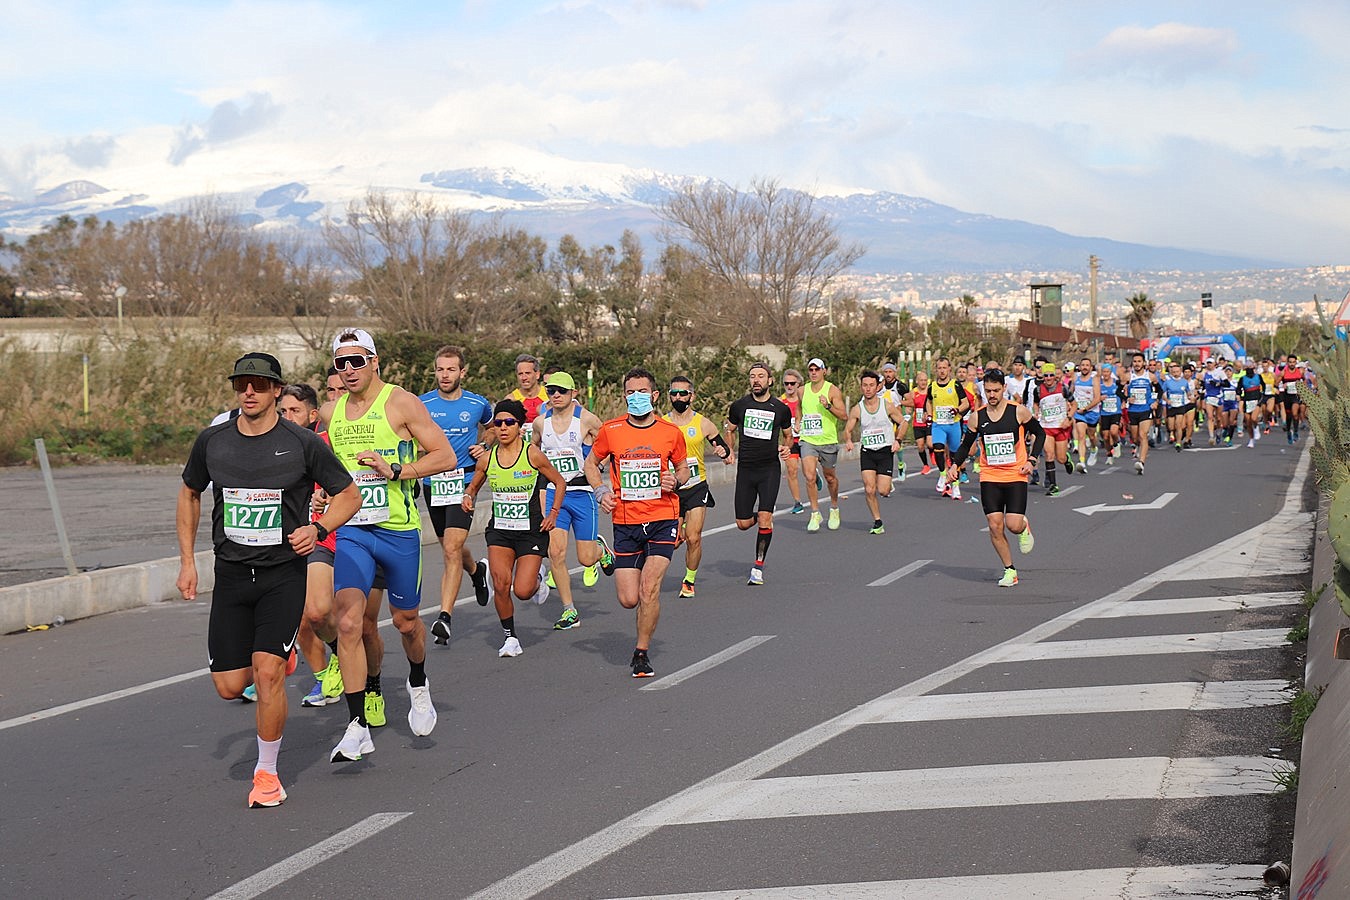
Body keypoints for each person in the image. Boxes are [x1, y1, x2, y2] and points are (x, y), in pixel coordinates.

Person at [177, 352, 361, 808]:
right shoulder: (213, 441)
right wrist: (187, 561)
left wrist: (319, 528)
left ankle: (267, 774)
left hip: (282, 575)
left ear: (277, 390)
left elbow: (349, 494)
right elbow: (190, 492)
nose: (249, 392)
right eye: (242, 384)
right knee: (229, 686)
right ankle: (285, 654)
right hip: (232, 575)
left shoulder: (302, 443)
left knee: (267, 673)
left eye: (259, 384)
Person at [322, 328, 458, 763]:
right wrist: (324, 495)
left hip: (397, 531)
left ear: (374, 361)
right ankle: (357, 725)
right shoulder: (331, 412)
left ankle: (418, 680)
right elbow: (332, 471)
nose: (349, 370)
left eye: (357, 360)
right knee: (349, 624)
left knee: (405, 623)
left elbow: (445, 456)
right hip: (354, 532)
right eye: (341, 363)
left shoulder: (400, 402)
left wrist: (397, 469)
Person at [585, 368, 689, 677]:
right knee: (629, 599)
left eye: (642, 392)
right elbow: (591, 463)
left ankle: (641, 652)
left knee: (649, 589)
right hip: (626, 521)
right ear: (624, 396)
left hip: (662, 517)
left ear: (654, 396)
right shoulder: (611, 430)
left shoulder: (670, 432)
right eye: (630, 392)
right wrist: (601, 490)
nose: (636, 397)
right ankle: (610, 555)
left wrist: (676, 480)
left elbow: (684, 469)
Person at [463, 398, 567, 656]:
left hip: (531, 531)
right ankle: (510, 637)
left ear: (519, 426)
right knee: (500, 584)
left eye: (509, 422)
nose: (503, 427)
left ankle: (538, 579)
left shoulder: (532, 454)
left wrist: (553, 513)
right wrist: (468, 497)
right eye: (498, 423)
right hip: (500, 531)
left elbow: (559, 482)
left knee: (522, 591)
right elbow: (473, 486)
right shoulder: (487, 459)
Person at [277, 383, 346, 709]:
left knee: (343, 617)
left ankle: (357, 669)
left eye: (295, 411)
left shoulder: (327, 442)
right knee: (308, 617)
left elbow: (351, 483)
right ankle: (328, 673)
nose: (288, 417)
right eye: (283, 411)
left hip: (341, 534)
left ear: (313, 414)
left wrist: (327, 494)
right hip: (305, 539)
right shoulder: (275, 446)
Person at [419, 345, 493, 646]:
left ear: (462, 372)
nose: (445, 375)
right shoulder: (422, 403)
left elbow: (491, 428)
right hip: (433, 483)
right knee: (451, 547)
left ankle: (444, 617)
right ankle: (476, 571)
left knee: (451, 548)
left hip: (464, 482)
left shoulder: (477, 403)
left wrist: (484, 445)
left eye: (451, 369)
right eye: (440, 369)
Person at [947, 368, 1045, 587]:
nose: (992, 395)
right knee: (994, 525)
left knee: (1013, 525)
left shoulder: (1018, 412)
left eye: (996, 390)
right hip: (990, 475)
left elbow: (1040, 433)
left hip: (1016, 474)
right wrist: (954, 465)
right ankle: (1010, 570)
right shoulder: (977, 417)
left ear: (1004, 388)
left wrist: (1032, 460)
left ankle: (1023, 527)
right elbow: (965, 445)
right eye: (988, 390)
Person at [533, 370, 613, 629]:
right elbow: (533, 451)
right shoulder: (540, 423)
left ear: (573, 393)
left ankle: (601, 550)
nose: (556, 395)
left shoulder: (586, 419)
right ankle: (569, 610)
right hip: (555, 495)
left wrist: (599, 466)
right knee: (555, 552)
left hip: (582, 493)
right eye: (551, 391)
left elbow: (609, 445)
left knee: (586, 559)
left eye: (561, 391)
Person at [663, 375, 733, 598]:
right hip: (671, 490)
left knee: (693, 538)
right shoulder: (661, 423)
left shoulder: (702, 423)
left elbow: (723, 448)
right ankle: (680, 528)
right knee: (673, 542)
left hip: (696, 486)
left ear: (691, 396)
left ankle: (689, 580)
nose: (678, 397)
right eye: (674, 393)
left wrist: (723, 452)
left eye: (683, 393)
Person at [726, 363, 794, 585]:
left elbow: (788, 436)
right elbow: (730, 430)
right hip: (746, 470)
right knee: (743, 523)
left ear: (770, 380)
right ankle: (764, 519)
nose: (756, 380)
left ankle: (758, 567)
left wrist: (787, 448)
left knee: (765, 517)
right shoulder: (739, 406)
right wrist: (729, 450)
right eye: (752, 376)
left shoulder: (780, 409)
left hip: (769, 469)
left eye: (761, 376)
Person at [843, 370, 909, 535]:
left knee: (883, 491)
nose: (868, 389)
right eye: (865, 385)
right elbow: (848, 429)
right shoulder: (857, 409)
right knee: (869, 489)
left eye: (871, 385)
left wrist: (898, 440)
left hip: (885, 451)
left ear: (877, 387)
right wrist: (849, 440)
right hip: (868, 452)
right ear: (861, 387)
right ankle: (877, 521)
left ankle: (887, 483)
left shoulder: (886, 405)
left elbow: (903, 423)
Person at [799, 357, 847, 532]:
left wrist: (828, 406)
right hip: (808, 439)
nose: (813, 373)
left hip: (827, 440)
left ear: (824, 371)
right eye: (811, 370)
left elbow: (844, 415)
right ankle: (815, 512)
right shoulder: (802, 391)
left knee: (830, 478)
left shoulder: (832, 390)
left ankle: (834, 508)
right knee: (809, 476)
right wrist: (797, 422)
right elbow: (798, 409)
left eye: (817, 369)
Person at [926, 357, 971, 500]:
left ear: (949, 369)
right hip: (938, 424)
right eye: (939, 368)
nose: (942, 371)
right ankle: (942, 474)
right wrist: (929, 414)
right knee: (938, 448)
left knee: (954, 457)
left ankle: (955, 485)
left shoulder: (955, 385)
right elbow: (928, 402)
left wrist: (957, 410)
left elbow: (966, 403)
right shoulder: (932, 386)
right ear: (936, 370)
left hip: (953, 424)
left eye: (944, 368)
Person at [1033, 361, 1074, 495]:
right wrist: (1036, 412)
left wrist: (1069, 418)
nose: (1048, 378)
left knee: (1060, 458)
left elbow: (1074, 404)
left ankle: (1066, 460)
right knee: (1049, 454)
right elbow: (1036, 403)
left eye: (1051, 375)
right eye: (1046, 375)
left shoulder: (1063, 388)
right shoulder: (1038, 390)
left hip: (1061, 426)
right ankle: (1053, 485)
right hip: (1046, 427)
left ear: (1055, 376)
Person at [778, 369, 808, 514]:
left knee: (808, 472)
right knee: (791, 470)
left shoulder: (805, 399)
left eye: (792, 383)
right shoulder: (780, 402)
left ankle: (814, 473)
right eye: (786, 383)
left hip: (806, 439)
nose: (789, 386)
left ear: (798, 384)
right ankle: (797, 502)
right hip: (790, 441)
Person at [1123, 353, 1157, 475]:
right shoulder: (1128, 376)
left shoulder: (1150, 376)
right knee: (1135, 438)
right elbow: (1118, 391)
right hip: (1133, 410)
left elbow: (1158, 390)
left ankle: (1141, 462)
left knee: (1143, 435)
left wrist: (1155, 401)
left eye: (1139, 361)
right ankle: (1137, 446)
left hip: (1146, 409)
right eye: (1135, 361)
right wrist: (1127, 398)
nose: (1137, 364)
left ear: (1144, 363)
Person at [879, 362, 910, 481]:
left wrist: (898, 402)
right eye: (886, 372)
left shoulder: (900, 386)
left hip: (896, 418)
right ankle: (885, 473)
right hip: (883, 420)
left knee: (895, 444)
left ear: (894, 372)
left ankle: (900, 464)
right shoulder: (879, 385)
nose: (888, 374)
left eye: (890, 372)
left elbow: (911, 401)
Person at [1070, 358, 1101, 473]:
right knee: (1081, 435)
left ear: (1091, 367)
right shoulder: (1075, 378)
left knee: (1092, 436)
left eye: (1087, 365)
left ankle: (1093, 449)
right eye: (1083, 365)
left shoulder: (1094, 379)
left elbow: (1097, 398)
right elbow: (1070, 392)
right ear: (1079, 367)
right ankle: (1082, 462)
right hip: (1079, 413)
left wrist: (1086, 408)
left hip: (1092, 412)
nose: (1084, 367)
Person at [509, 353, 549, 443]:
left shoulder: (549, 394)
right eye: (520, 374)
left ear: (537, 374)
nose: (524, 378)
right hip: (522, 446)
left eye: (527, 373)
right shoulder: (511, 399)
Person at [1159, 360, 1194, 452]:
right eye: (1174, 372)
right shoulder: (1167, 382)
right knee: (1171, 426)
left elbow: (1188, 392)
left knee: (1179, 425)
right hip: (1171, 406)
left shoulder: (1184, 382)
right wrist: (1167, 400)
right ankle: (1172, 434)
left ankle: (1178, 443)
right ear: (1171, 372)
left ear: (1180, 372)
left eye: (1177, 372)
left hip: (1180, 406)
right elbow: (1162, 393)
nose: (1176, 373)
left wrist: (1190, 397)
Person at [906, 370, 933, 474]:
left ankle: (932, 452)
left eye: (925, 380)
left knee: (930, 444)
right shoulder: (913, 392)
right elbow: (910, 404)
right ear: (917, 381)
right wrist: (908, 410)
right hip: (917, 422)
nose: (923, 382)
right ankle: (925, 465)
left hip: (929, 421)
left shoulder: (930, 391)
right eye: (921, 380)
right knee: (920, 445)